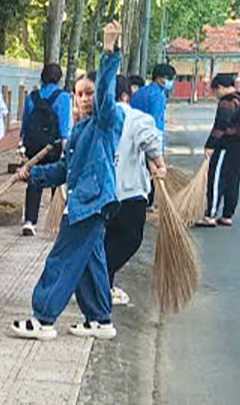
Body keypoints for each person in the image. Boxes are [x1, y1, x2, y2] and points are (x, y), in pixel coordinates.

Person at [11, 22, 125, 340]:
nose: (83, 99)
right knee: (90, 262)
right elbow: (64, 170)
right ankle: (100, 319)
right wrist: (32, 174)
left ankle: (43, 319)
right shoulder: (81, 130)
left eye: (89, 93)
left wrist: (109, 54)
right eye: (79, 94)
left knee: (61, 259)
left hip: (91, 203)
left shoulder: (105, 123)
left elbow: (106, 99)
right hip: (88, 203)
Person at [109, 75, 167, 306]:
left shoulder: (95, 118)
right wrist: (160, 164)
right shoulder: (135, 117)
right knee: (128, 239)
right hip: (129, 191)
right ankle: (99, 279)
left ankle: (104, 285)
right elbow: (151, 142)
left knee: (106, 240)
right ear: (126, 95)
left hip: (102, 193)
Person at [19, 62, 72, 235]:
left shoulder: (32, 97)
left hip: (34, 147)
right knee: (57, 179)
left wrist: (22, 144)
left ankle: (29, 222)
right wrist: (65, 149)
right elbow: (64, 126)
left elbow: (25, 123)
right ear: (59, 79)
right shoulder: (63, 97)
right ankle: (57, 221)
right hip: (53, 147)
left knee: (34, 179)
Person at [198, 73, 240, 228]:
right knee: (233, 179)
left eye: (215, 90)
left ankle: (210, 215)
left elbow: (220, 126)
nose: (215, 94)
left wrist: (210, 145)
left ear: (220, 87)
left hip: (226, 146)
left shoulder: (227, 102)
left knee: (216, 178)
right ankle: (227, 215)